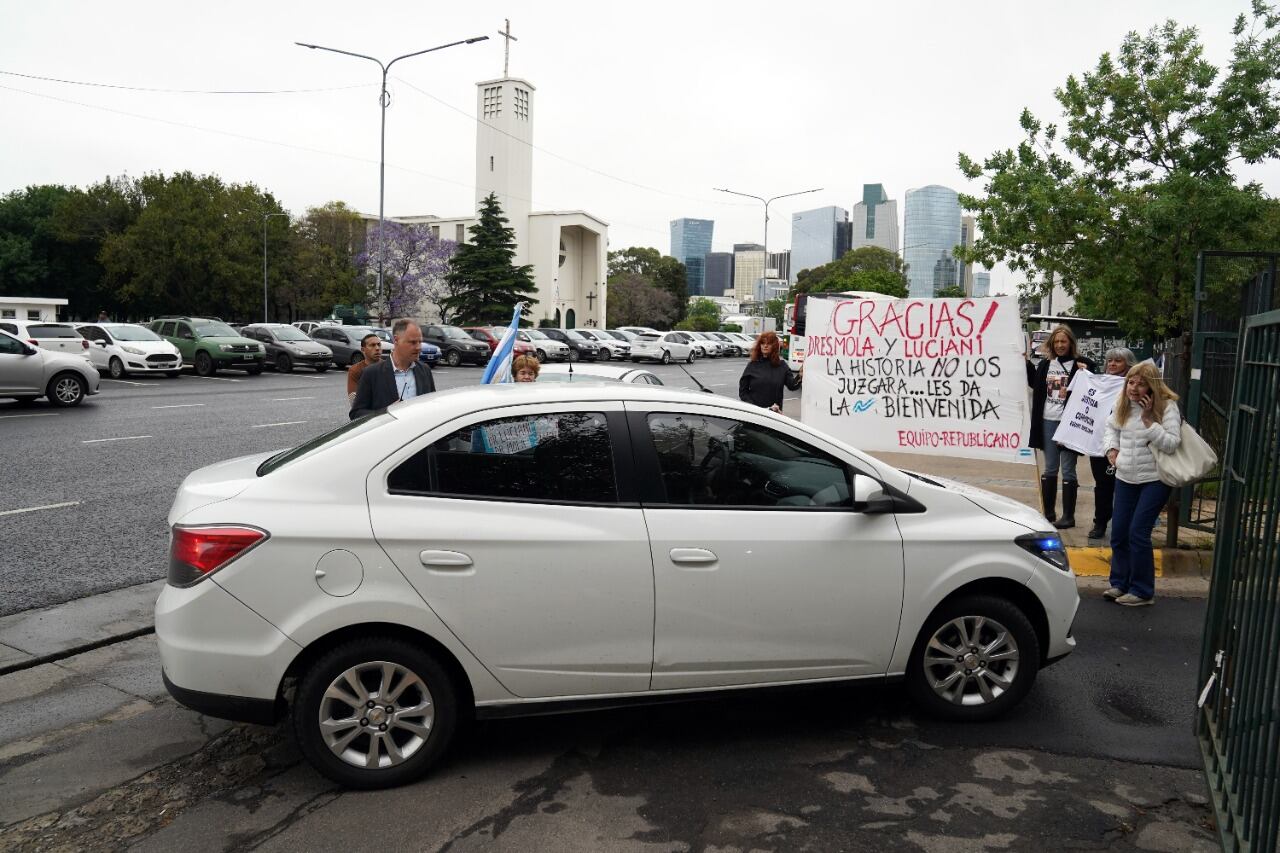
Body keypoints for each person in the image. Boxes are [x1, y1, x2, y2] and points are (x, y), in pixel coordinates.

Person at [1101, 362, 1182, 607]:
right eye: (1131, 382)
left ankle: (1142, 591)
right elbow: (1110, 429)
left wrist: (1148, 421)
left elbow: (1171, 443)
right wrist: (1111, 449)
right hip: (1126, 476)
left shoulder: (1167, 407)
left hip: (1155, 479)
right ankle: (1120, 583)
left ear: (1152, 385)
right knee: (1119, 532)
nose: (1134, 388)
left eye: (1141, 383)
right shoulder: (1122, 403)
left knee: (1138, 533)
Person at [1026, 325, 1097, 528]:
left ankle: (1068, 517)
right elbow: (1034, 384)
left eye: (1063, 341)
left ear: (1070, 343)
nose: (1059, 345)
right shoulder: (1046, 365)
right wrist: (1024, 363)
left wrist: (1088, 369)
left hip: (1069, 424)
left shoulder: (1080, 365)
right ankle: (1048, 513)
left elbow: (1093, 379)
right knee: (1050, 468)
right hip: (1048, 420)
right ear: (1051, 344)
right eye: (1056, 342)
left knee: (1068, 469)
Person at [1084, 347, 1137, 540]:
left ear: (1128, 364)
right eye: (1110, 361)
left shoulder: (1134, 385)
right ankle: (1100, 522)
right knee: (1102, 486)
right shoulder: (1099, 383)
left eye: (1118, 361)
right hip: (1100, 444)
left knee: (1125, 486)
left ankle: (1125, 524)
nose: (1112, 364)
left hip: (1127, 444)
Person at [349, 318, 435, 419]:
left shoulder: (424, 370)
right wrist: (386, 413)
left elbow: (432, 406)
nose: (418, 347)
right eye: (412, 342)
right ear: (396, 340)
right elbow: (356, 414)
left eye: (420, 342)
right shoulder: (372, 373)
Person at [739, 331, 801, 413]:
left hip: (774, 414)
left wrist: (800, 375)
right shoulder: (753, 365)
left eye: (769, 343)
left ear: (774, 346)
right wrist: (753, 407)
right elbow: (743, 392)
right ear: (759, 346)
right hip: (754, 413)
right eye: (763, 343)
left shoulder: (782, 366)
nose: (765, 345)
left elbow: (792, 385)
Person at [346, 333, 383, 406]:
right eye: (372, 345)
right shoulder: (355, 370)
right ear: (363, 350)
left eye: (379, 344)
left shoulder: (389, 366)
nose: (377, 348)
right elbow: (353, 401)